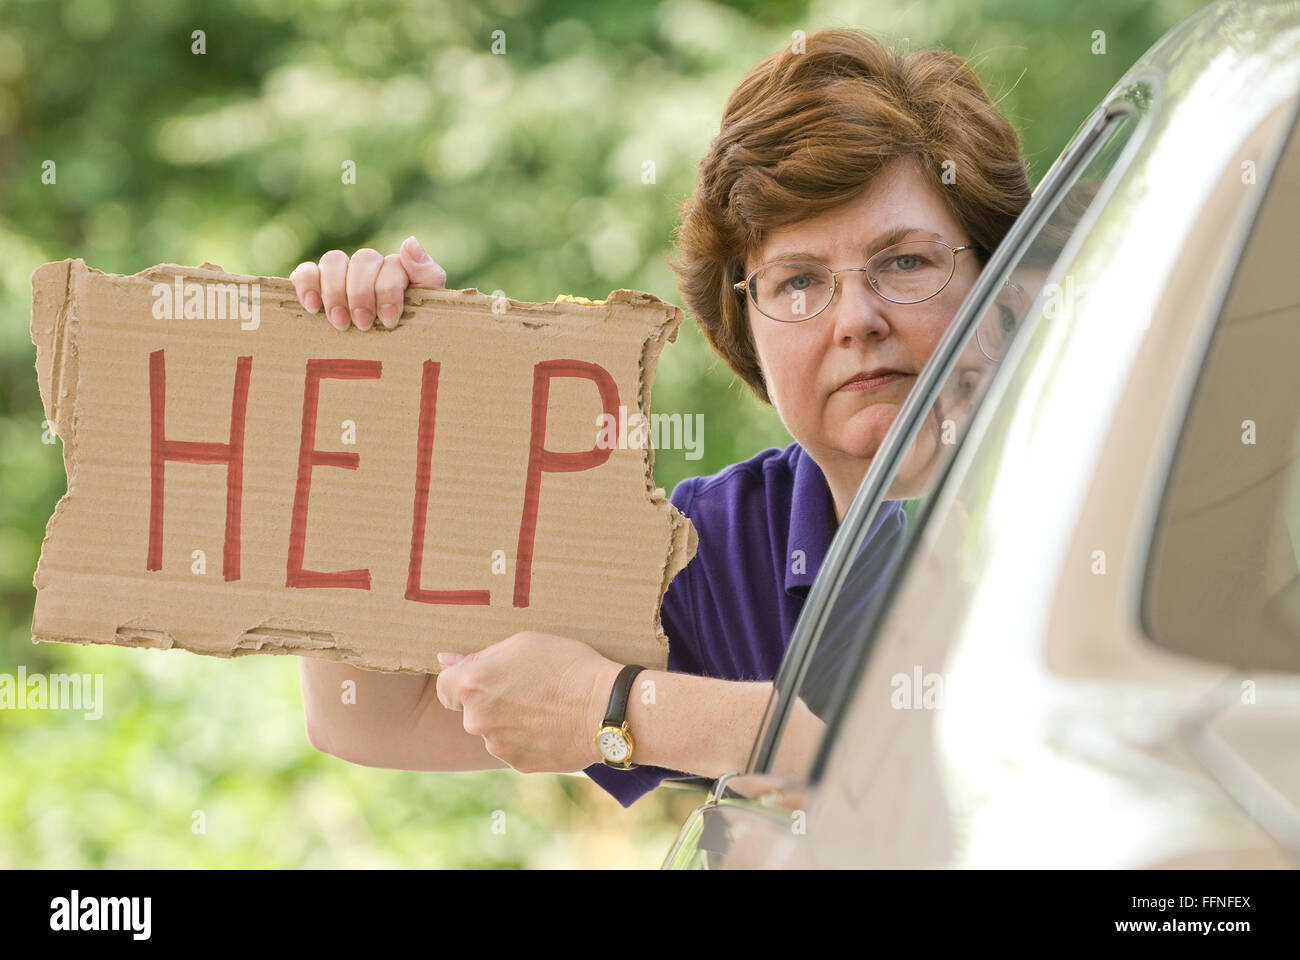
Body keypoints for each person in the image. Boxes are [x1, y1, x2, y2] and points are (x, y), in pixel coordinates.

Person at [294, 28, 1032, 808]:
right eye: (798, 282)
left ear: (1003, 283)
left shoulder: (1102, 462)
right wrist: (373, 405)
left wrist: (621, 709)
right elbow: (375, 721)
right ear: (743, 328)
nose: (856, 319)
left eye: (904, 262)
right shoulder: (724, 547)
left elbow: (990, 761)